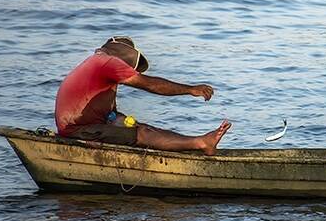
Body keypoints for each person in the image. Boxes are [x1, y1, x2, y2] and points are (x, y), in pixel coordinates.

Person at [54, 36, 231, 155]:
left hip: (87, 126)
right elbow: (151, 85)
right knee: (143, 134)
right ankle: (200, 143)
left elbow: (109, 114)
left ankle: (198, 142)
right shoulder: (107, 62)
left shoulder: (96, 64)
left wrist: (129, 123)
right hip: (79, 131)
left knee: (143, 128)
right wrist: (191, 89)